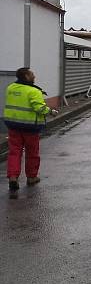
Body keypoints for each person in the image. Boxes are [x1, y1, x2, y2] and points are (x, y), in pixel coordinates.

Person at [3, 67, 57, 197]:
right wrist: (50, 111)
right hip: (30, 128)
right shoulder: (33, 91)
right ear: (26, 76)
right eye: (32, 74)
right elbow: (39, 108)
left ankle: (13, 177)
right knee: (32, 153)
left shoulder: (11, 88)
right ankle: (31, 177)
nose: (34, 76)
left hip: (13, 126)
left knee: (14, 152)